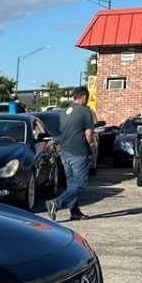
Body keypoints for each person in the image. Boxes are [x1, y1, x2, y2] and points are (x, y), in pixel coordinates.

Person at [46, 86, 95, 221]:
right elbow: (89, 133)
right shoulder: (85, 111)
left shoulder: (64, 112)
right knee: (80, 183)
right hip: (78, 151)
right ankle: (56, 203)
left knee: (71, 183)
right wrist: (92, 146)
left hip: (65, 151)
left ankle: (75, 212)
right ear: (84, 97)